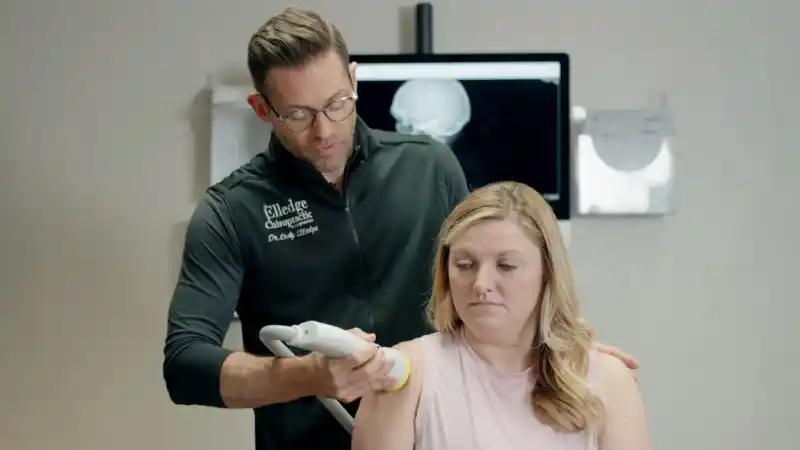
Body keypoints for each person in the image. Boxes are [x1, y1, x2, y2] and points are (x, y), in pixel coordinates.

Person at [162, 7, 640, 450]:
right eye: (298, 115)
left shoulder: (428, 167)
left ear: (354, 80)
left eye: (337, 103)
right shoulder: (231, 211)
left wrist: (556, 343)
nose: (324, 131)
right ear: (262, 108)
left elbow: (488, 277)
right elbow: (185, 365)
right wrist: (309, 376)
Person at [352, 181, 651, 450]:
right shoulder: (403, 375)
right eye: (465, 265)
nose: (481, 284)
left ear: (548, 273)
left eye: (506, 266)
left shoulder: (607, 380)